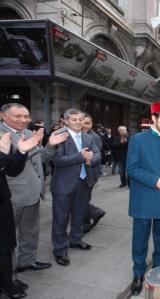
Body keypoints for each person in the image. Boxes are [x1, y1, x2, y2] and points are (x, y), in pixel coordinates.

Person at [0, 103, 68, 277]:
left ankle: (27, 260)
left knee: (30, 231)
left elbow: (41, 159)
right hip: (11, 197)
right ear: (3, 116)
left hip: (33, 192)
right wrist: (24, 150)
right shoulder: (2, 136)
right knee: (6, 239)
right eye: (18, 116)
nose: (23, 120)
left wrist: (51, 146)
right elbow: (9, 166)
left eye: (26, 116)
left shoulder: (30, 133)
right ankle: (9, 274)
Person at [126, 102, 160, 296]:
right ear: (154, 118)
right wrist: (156, 180)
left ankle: (159, 270)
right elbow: (131, 169)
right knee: (140, 240)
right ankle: (138, 274)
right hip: (143, 197)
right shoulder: (137, 139)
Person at [50, 108, 101, 267]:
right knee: (61, 218)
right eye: (74, 119)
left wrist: (91, 159)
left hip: (83, 183)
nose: (78, 122)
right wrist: (80, 156)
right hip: (63, 185)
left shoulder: (88, 137)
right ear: (65, 121)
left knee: (79, 214)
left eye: (80, 119)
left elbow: (98, 154)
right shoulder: (58, 137)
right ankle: (59, 250)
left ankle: (76, 239)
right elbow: (56, 161)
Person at [1, 131, 43, 299]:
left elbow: (11, 170)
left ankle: (6, 283)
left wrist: (20, 152)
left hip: (2, 202)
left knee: (5, 245)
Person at [81, 114, 106, 233]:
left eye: (87, 123)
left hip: (89, 173)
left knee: (83, 199)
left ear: (91, 124)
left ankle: (91, 216)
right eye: (82, 122)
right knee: (81, 199)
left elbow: (96, 156)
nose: (84, 126)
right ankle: (91, 215)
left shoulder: (94, 137)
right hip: (81, 173)